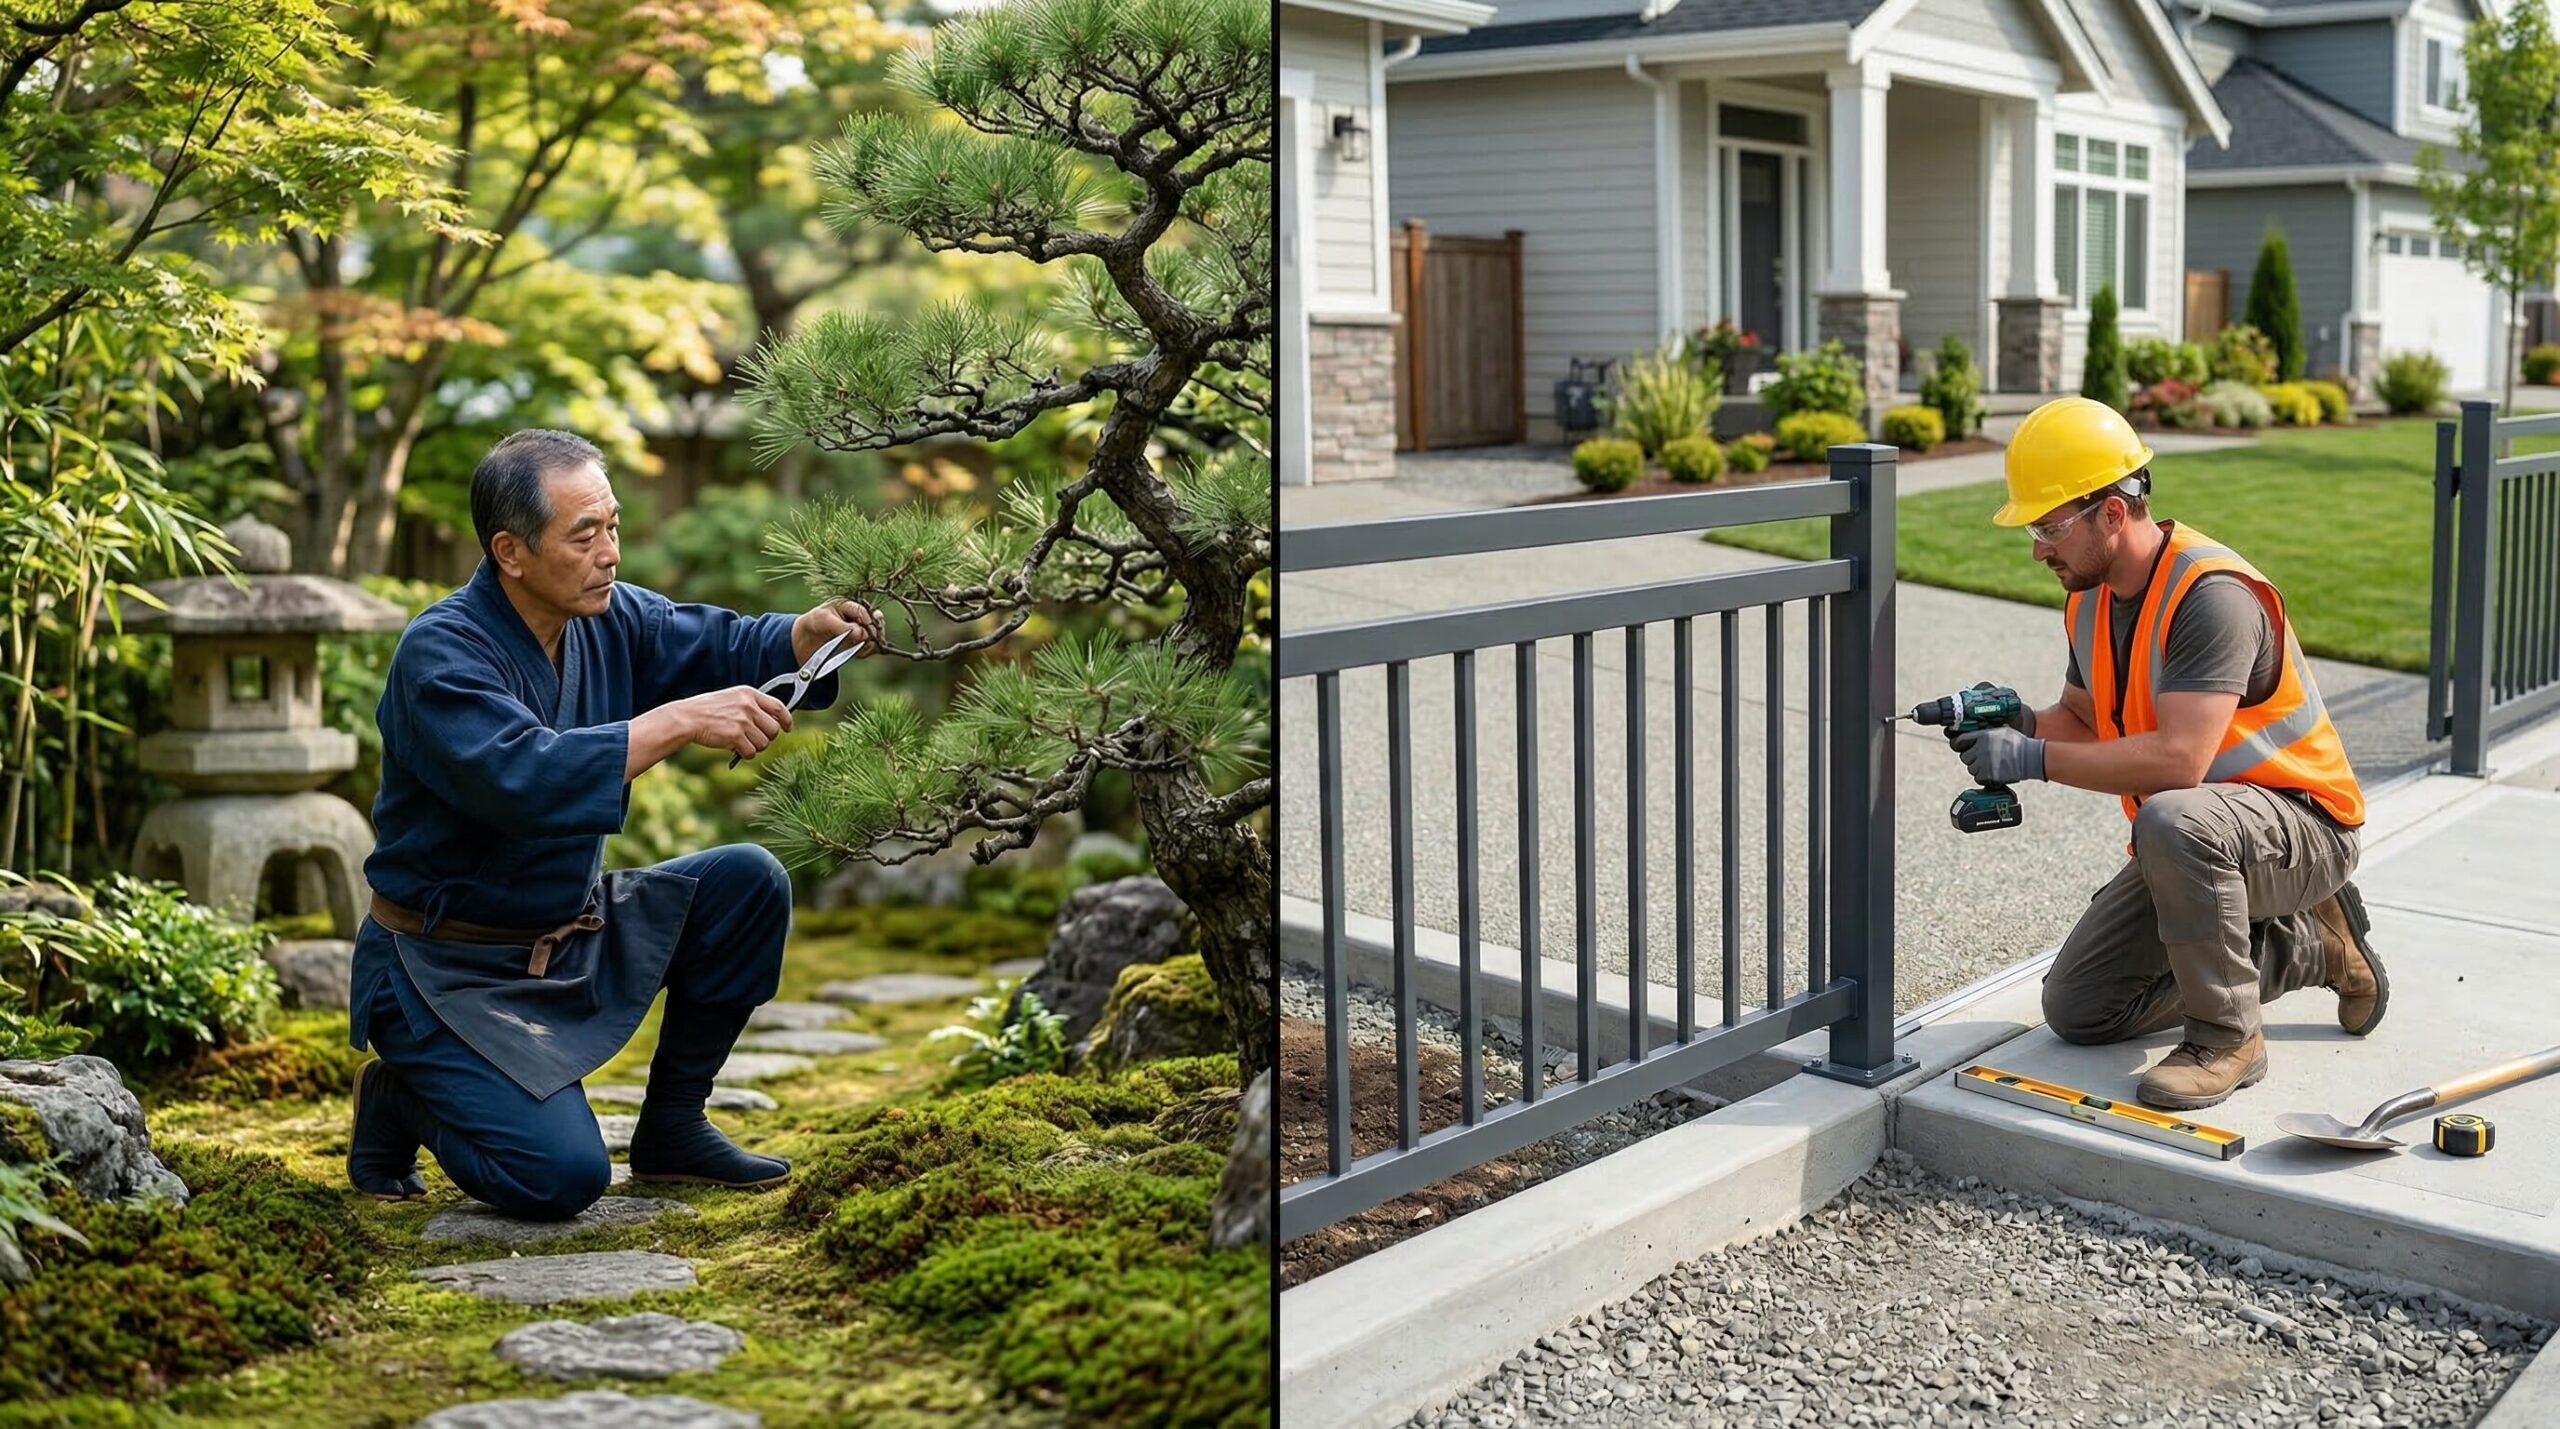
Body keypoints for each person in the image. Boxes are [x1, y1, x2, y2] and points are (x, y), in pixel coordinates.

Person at [343, 428, 882, 1218]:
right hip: (441, 966)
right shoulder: (441, 653)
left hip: (566, 933)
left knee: (745, 884)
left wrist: (801, 636)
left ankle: (672, 1127)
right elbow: (527, 777)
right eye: (584, 534)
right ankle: (401, 1098)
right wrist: (677, 722)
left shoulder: (607, 616)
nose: (611, 552)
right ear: (510, 551)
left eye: (614, 526)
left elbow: (717, 644)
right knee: (559, 1177)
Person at [1947, 397, 2386, 1111]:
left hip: (2306, 830)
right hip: (2200, 837)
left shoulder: (2213, 596)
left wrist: (2028, 758)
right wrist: (2023, 722)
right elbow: (2087, 721)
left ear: (2113, 514)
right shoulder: (2089, 600)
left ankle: (2228, 1038)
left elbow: (2180, 759)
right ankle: (2319, 947)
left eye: (2050, 526)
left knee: (2173, 820)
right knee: (2080, 1007)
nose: (2038, 548)